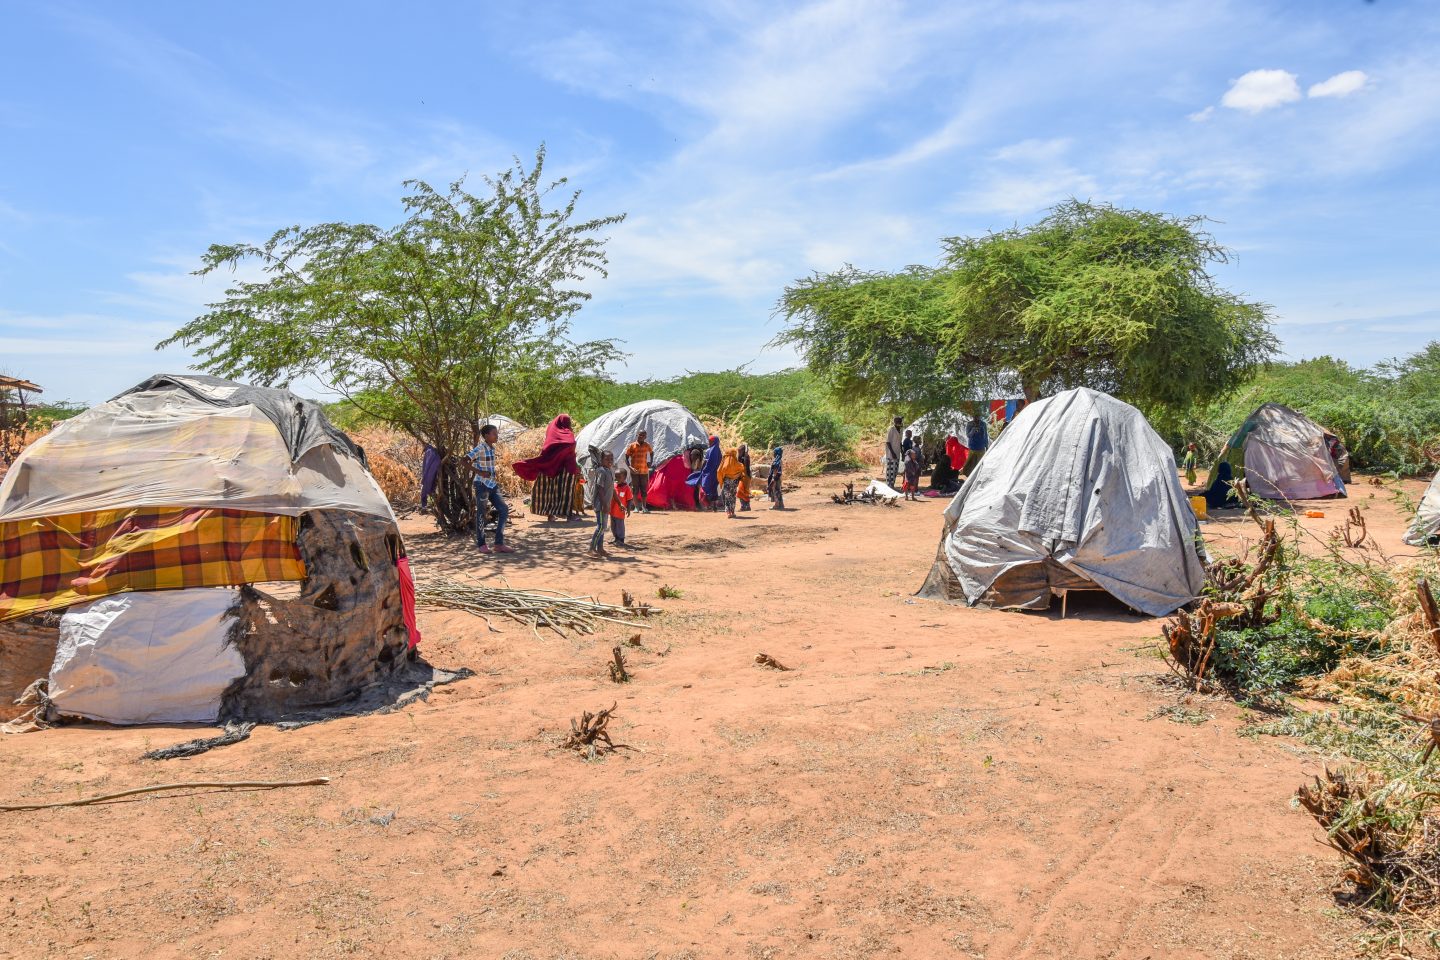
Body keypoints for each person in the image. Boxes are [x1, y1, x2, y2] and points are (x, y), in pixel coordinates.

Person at [512, 414, 580, 521]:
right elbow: (569, 445)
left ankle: (560, 513)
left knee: (553, 490)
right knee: (558, 491)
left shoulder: (554, 432)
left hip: (550, 467)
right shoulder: (566, 434)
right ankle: (558, 514)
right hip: (562, 468)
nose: (569, 424)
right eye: (568, 422)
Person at [467, 423, 514, 554]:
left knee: (503, 509)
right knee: (481, 514)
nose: (496, 436)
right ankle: (481, 544)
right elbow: (463, 461)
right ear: (486, 435)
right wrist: (479, 472)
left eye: (496, 433)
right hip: (481, 484)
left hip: (492, 484)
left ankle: (499, 543)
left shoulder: (491, 448)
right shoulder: (480, 448)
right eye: (494, 434)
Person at [587, 448, 615, 559]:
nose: (609, 460)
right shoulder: (601, 471)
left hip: (606, 504)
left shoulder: (609, 471)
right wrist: (604, 504)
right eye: (606, 458)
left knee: (603, 527)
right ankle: (591, 549)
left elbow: (612, 489)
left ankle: (600, 548)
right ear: (601, 460)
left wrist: (616, 502)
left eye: (611, 458)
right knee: (601, 527)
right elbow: (600, 488)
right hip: (601, 504)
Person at [625, 430, 654, 513]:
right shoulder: (632, 446)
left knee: (644, 489)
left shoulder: (647, 445)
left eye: (643, 435)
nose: (641, 436)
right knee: (635, 489)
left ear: (645, 437)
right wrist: (630, 467)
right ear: (637, 435)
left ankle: (644, 507)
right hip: (634, 471)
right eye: (640, 435)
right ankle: (636, 507)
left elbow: (652, 453)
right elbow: (626, 457)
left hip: (644, 470)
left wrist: (651, 462)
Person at [717, 447, 746, 519]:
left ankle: (728, 512)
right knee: (733, 496)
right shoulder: (737, 464)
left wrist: (721, 481)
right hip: (735, 482)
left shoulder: (724, 463)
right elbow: (742, 468)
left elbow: (719, 471)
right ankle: (732, 512)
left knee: (727, 497)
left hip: (726, 481)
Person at [611, 466, 635, 547]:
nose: (617, 478)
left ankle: (621, 539)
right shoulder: (613, 485)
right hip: (612, 511)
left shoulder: (626, 488)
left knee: (620, 526)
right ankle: (616, 538)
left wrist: (628, 509)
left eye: (619, 477)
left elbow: (629, 499)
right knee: (613, 526)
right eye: (616, 476)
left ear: (624, 477)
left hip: (620, 512)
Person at [699, 435, 721, 510]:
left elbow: (705, 462)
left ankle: (709, 505)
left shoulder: (709, 450)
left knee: (706, 487)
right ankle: (713, 505)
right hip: (716, 473)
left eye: (710, 441)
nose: (709, 443)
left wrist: (702, 470)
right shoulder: (719, 451)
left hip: (708, 473)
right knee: (713, 488)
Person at [884, 416, 904, 489]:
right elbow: (888, 442)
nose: (899, 423)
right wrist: (892, 453)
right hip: (891, 454)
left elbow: (900, 442)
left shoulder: (901, 430)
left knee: (895, 470)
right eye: (898, 421)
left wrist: (902, 451)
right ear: (895, 422)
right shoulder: (891, 429)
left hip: (897, 453)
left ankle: (892, 485)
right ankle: (889, 485)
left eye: (900, 421)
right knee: (890, 470)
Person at [767, 446, 785, 510]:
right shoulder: (778, 460)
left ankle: (776, 505)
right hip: (777, 478)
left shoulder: (778, 461)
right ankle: (780, 504)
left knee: (776, 491)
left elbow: (777, 471)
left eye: (774, 452)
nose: (773, 454)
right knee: (778, 491)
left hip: (776, 478)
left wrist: (774, 479)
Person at [737, 443, 753, 512]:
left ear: (743, 451)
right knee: (743, 491)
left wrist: (745, 454)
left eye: (740, 451)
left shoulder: (746, 457)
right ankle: (746, 506)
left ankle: (744, 506)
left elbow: (745, 467)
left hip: (746, 476)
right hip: (742, 476)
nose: (739, 453)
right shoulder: (740, 457)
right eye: (738, 451)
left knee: (742, 491)